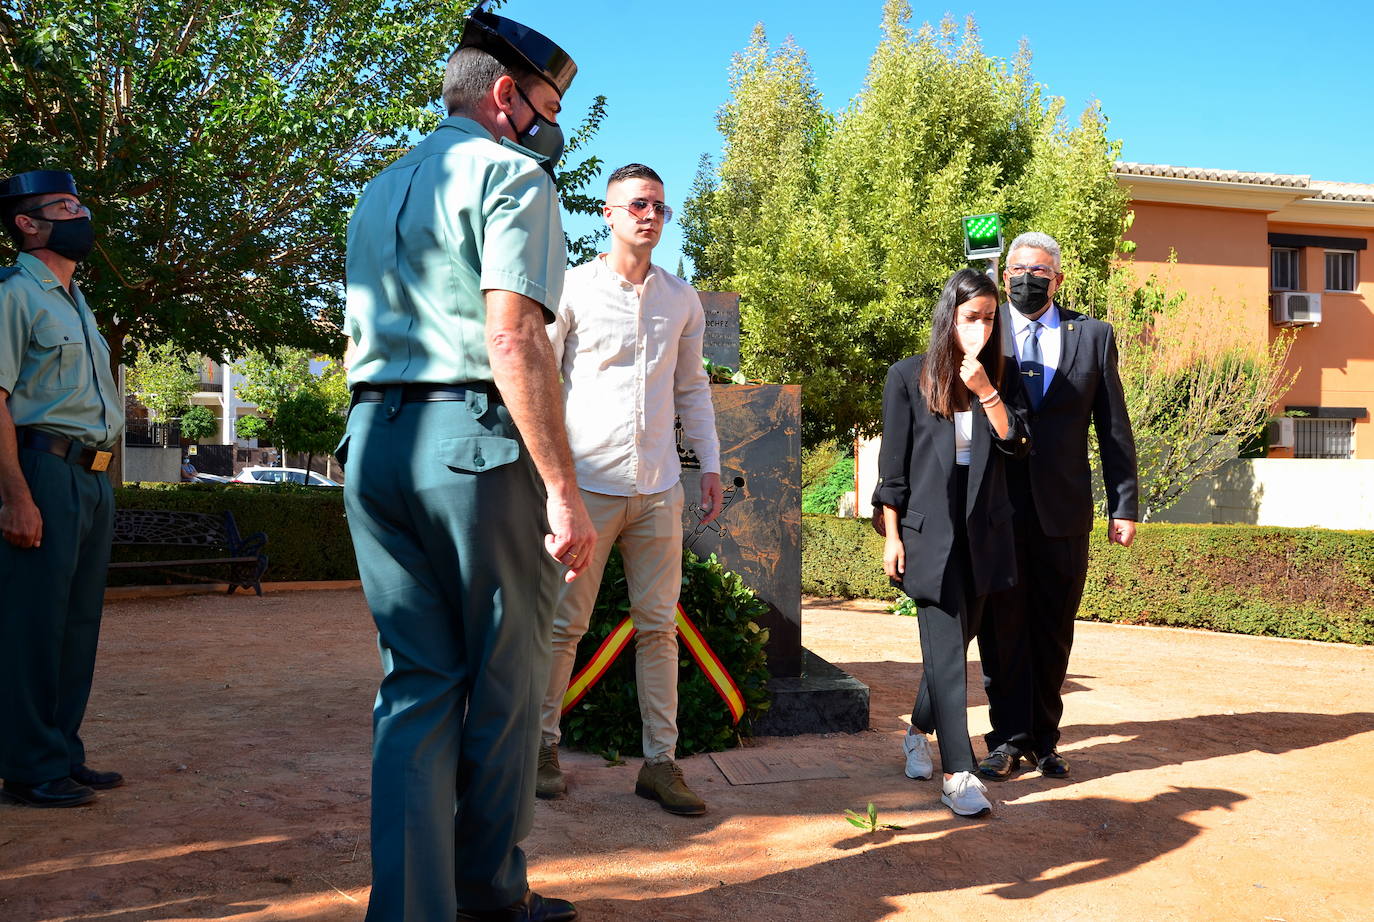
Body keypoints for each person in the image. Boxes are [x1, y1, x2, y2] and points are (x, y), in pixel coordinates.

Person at [340, 7, 593, 921]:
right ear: (503, 97)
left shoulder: (378, 189)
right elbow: (514, 334)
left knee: (416, 686)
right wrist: (563, 489)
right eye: (544, 102)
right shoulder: (513, 177)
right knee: (506, 683)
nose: (548, 122)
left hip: (373, 442)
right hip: (474, 449)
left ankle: (412, 908)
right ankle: (489, 895)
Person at [535, 163, 721, 816]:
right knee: (565, 624)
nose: (651, 215)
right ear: (608, 214)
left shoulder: (683, 299)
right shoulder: (572, 290)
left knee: (659, 628)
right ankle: (541, 747)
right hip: (585, 489)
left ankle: (660, 765)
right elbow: (540, 383)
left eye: (661, 208)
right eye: (638, 204)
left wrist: (712, 464)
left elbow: (692, 389)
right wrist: (551, 483)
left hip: (659, 488)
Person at [976, 231, 1138, 782]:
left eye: (1039, 272)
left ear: (1058, 280)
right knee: (1002, 631)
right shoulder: (983, 332)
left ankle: (1044, 740)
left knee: (1053, 628)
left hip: (1065, 513)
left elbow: (1113, 427)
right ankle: (1004, 740)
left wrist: (1125, 503)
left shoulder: (1094, 336)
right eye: (1018, 270)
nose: (1028, 279)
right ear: (1004, 277)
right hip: (997, 508)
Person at [873, 268, 1030, 817]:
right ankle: (959, 772)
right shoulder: (907, 377)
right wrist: (892, 537)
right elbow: (892, 471)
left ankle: (916, 731)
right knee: (947, 652)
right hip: (927, 529)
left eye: (990, 318)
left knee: (951, 648)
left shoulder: (1003, 378)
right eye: (971, 318)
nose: (981, 328)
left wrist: (986, 390)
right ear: (950, 318)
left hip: (984, 530)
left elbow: (1017, 445)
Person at [0, 169, 125, 808]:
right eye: (66, 205)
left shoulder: (76, 300)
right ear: (29, 222)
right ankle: (26, 767)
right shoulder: (13, 294)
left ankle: (60, 753)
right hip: (43, 470)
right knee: (33, 625)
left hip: (93, 477)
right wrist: (17, 496)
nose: (81, 214)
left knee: (76, 626)